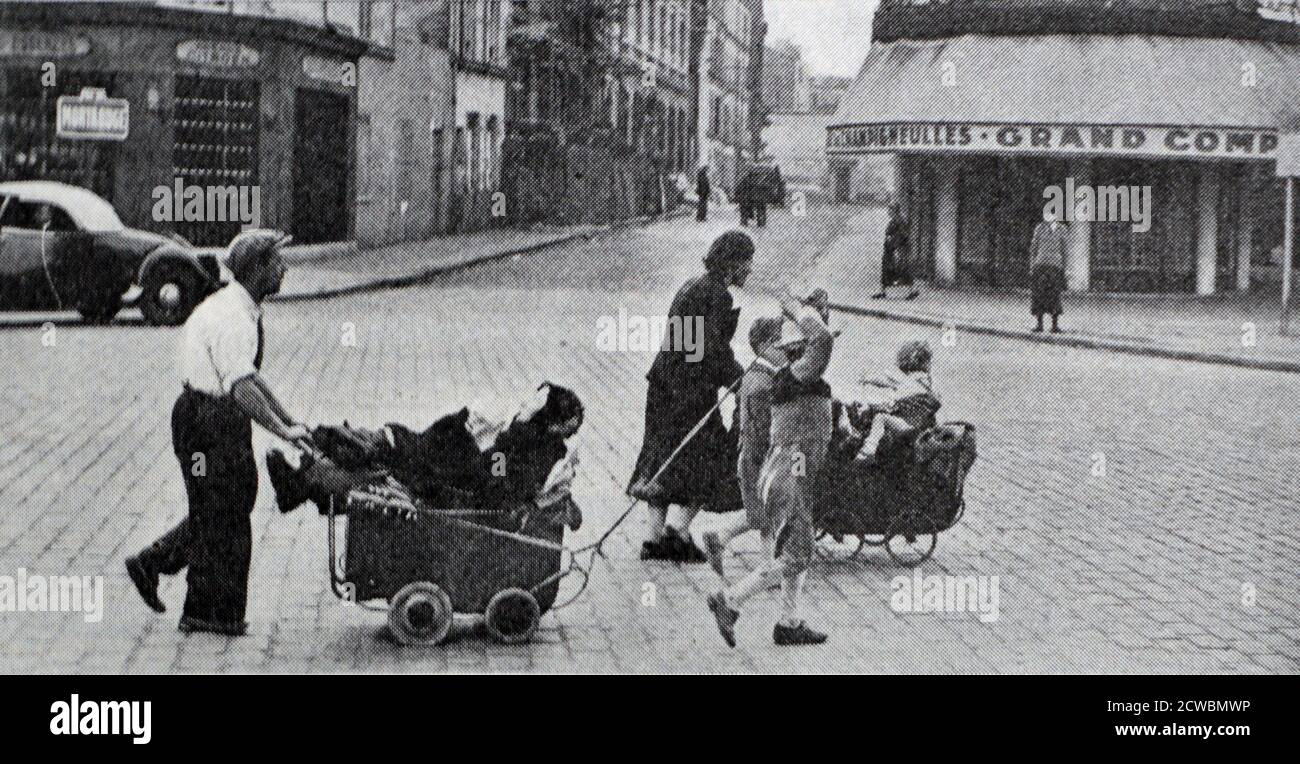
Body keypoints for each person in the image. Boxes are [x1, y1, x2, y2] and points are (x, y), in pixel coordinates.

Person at [124, 229, 309, 637]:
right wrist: (280, 430)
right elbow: (240, 385)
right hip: (205, 423)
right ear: (258, 269)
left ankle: (153, 565)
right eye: (278, 262)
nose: (285, 268)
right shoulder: (231, 318)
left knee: (230, 500)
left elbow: (252, 379)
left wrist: (289, 420)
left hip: (217, 419)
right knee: (221, 511)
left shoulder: (242, 308)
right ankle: (209, 613)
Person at [707, 287, 834, 647]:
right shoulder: (795, 376)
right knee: (797, 554)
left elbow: (822, 337)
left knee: (799, 546)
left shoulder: (794, 377)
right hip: (790, 471)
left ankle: (789, 623)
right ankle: (730, 600)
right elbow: (821, 340)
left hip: (791, 470)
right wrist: (797, 310)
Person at [266, 383, 584, 517]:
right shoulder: (530, 439)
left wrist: (503, 438)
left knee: (388, 454)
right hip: (458, 468)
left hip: (460, 487)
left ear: (548, 421)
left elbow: (499, 483)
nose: (524, 404)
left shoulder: (537, 450)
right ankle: (308, 473)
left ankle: (307, 478)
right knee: (391, 444)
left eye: (533, 404)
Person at [628, 231, 752, 563]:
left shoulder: (694, 285)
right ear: (733, 263)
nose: (750, 270)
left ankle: (653, 540)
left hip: (665, 386)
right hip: (688, 392)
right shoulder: (716, 295)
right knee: (710, 458)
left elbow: (696, 345)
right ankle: (677, 531)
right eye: (747, 262)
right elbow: (710, 350)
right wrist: (739, 378)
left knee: (663, 456)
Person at [699, 315, 784, 577]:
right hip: (759, 456)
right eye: (780, 344)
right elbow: (762, 428)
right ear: (766, 344)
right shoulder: (762, 384)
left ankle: (721, 537)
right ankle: (766, 566)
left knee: (761, 510)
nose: (786, 351)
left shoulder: (755, 375)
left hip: (750, 454)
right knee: (768, 510)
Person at [856, 340, 939, 465]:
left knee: (880, 418)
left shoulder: (907, 379)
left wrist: (867, 379)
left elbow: (885, 382)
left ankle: (869, 450)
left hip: (906, 427)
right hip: (922, 428)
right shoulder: (926, 382)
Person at [1029, 209, 1068, 333]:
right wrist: (1032, 266)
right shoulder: (1039, 228)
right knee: (1039, 294)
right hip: (1040, 265)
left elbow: (1065, 251)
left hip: (1055, 267)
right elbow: (1033, 248)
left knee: (1054, 295)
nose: (1048, 217)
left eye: (1052, 214)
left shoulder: (1062, 230)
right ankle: (1039, 324)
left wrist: (1065, 269)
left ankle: (1054, 325)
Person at [873, 203, 919, 300]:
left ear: (895, 211)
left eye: (890, 210)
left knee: (902, 271)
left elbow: (903, 235)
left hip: (896, 251)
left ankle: (911, 292)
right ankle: (883, 292)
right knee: (888, 271)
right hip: (891, 250)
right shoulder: (895, 220)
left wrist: (896, 248)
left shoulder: (899, 221)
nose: (888, 212)